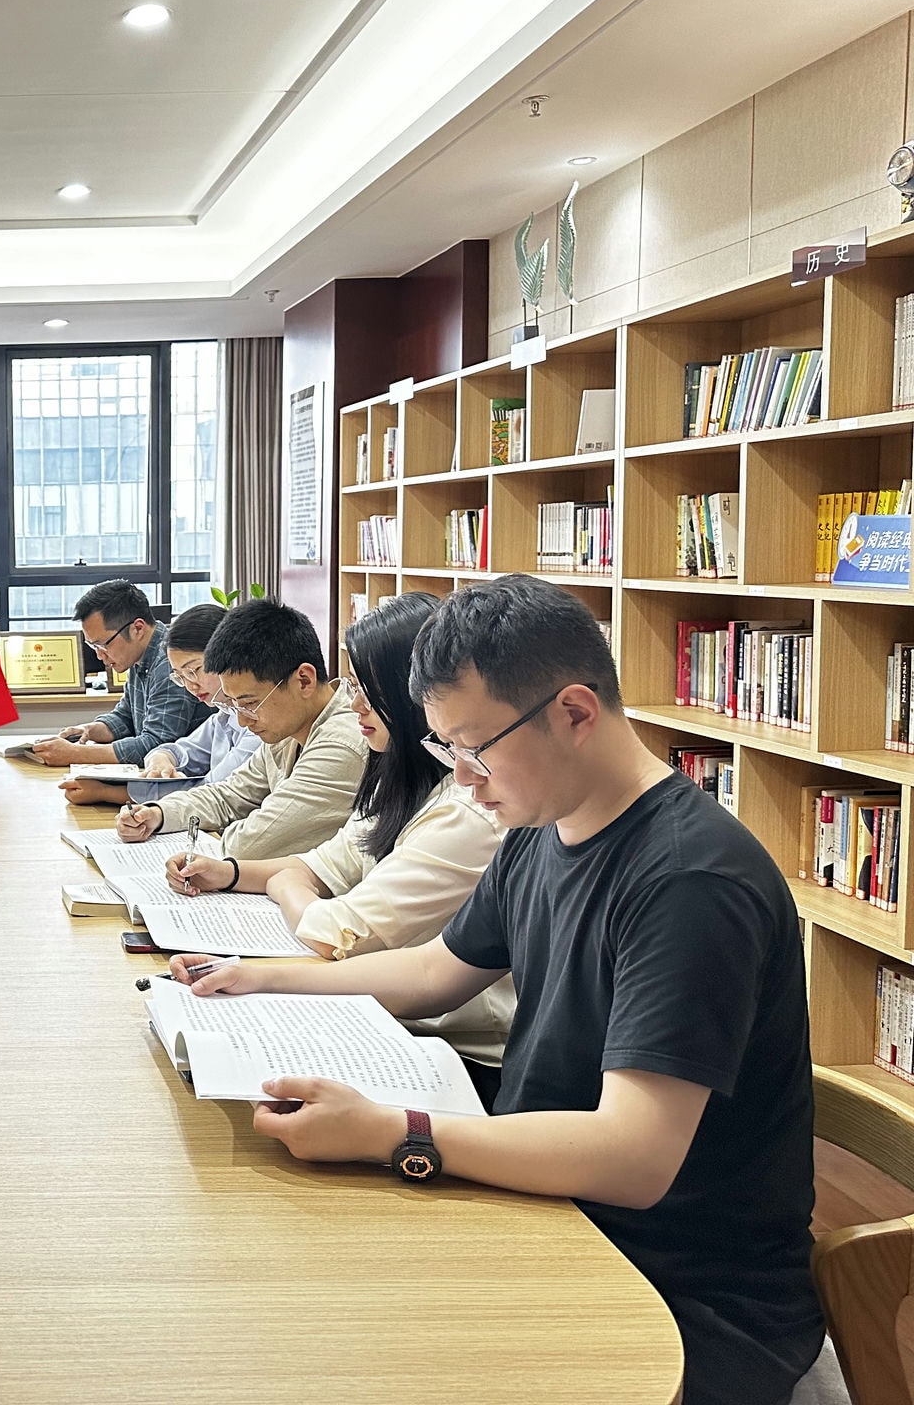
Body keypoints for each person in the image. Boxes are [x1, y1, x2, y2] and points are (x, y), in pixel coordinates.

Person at [168, 576, 821, 1405]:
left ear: (574, 712)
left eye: (474, 749)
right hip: (553, 1208)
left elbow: (634, 1157)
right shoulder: (541, 827)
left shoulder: (690, 882)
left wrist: (392, 1132)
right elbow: (434, 972)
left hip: (677, 1289)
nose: (464, 780)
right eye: (446, 750)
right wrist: (262, 978)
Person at [164, 593, 512, 1090]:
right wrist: (232, 874)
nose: (355, 705)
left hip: (457, 1048)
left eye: (369, 690)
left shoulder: (465, 810)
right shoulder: (401, 777)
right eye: (353, 686)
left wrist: (284, 884)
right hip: (398, 1015)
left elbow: (336, 932)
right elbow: (332, 859)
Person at [116, 597, 363, 860]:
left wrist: (216, 835)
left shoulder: (341, 744)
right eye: (236, 706)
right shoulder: (288, 729)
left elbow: (251, 843)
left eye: (250, 704)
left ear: (303, 680)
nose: (243, 721)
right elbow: (229, 795)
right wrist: (158, 813)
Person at [57, 603, 255, 807]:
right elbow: (174, 748)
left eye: (194, 671)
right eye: (180, 677)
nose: (190, 686)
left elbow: (211, 792)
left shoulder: (258, 723)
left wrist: (106, 791)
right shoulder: (224, 714)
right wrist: (161, 757)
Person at [26, 579, 212, 766]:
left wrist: (75, 753)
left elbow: (157, 744)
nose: (99, 655)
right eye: (93, 646)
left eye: (103, 645)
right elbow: (125, 717)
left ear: (137, 628)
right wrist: (88, 730)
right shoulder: (140, 656)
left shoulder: (168, 663)